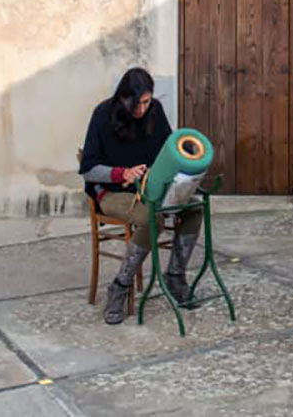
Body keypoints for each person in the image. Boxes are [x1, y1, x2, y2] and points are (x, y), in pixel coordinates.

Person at [79, 67, 203, 324]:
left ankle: (175, 276)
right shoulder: (102, 115)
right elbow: (89, 169)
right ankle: (119, 287)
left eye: (147, 101)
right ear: (123, 98)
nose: (143, 108)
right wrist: (121, 174)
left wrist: (186, 155)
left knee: (194, 207)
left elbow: (169, 149)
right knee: (152, 218)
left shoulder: (154, 111)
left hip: (151, 188)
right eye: (138, 103)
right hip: (113, 192)